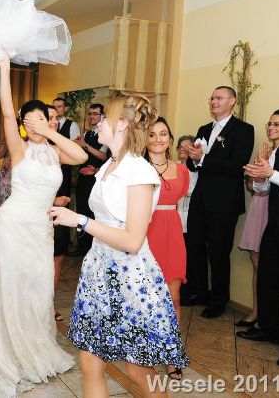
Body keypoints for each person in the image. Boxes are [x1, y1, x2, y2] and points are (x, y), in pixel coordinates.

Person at [51, 94, 188, 397]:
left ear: (122, 124)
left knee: (137, 369)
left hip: (129, 278)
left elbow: (133, 240)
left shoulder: (139, 171)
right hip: (99, 271)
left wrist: (80, 221)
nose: (97, 123)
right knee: (90, 362)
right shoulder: (110, 165)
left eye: (104, 117)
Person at [0, 53, 87, 396]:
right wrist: (5, 68)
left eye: (42, 119)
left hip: (41, 228)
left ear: (50, 121)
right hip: (14, 224)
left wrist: (50, 133)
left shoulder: (56, 152)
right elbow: (7, 111)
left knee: (39, 288)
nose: (35, 126)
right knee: (12, 285)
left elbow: (81, 156)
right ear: (23, 124)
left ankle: (34, 345)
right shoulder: (19, 149)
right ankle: (9, 351)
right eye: (30, 121)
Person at [182, 86, 254, 319]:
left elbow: (236, 165)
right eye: (212, 98)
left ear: (232, 101)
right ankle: (199, 292)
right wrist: (193, 158)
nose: (213, 101)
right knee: (194, 246)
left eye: (219, 98)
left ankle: (219, 300)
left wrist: (203, 158)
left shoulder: (243, 130)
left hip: (224, 202)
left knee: (219, 252)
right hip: (201, 198)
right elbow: (194, 166)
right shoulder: (204, 129)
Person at [237, 110, 279, 366]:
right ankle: (270, 328)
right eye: (270, 123)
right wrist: (258, 178)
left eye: (278, 124)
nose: (271, 127)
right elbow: (265, 189)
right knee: (268, 278)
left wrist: (270, 172)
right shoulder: (274, 153)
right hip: (275, 224)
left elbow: (276, 178)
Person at [145, 117, 189, 380]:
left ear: (170, 139)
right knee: (144, 296)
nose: (158, 139)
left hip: (172, 234)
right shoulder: (137, 168)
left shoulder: (181, 170)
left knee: (173, 297)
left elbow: (179, 198)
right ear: (145, 139)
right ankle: (144, 348)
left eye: (163, 134)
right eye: (152, 134)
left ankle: (172, 354)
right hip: (144, 232)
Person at [72, 103, 109, 256]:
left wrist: (85, 145)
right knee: (81, 212)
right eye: (90, 114)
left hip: (96, 180)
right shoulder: (87, 134)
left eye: (95, 114)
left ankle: (91, 249)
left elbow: (103, 156)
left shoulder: (105, 134)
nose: (91, 116)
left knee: (93, 214)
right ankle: (81, 246)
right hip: (82, 179)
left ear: (102, 116)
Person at [47, 106, 72, 322]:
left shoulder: (59, 147)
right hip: (39, 210)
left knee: (57, 258)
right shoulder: (28, 148)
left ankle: (49, 303)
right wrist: (52, 200)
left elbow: (80, 156)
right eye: (51, 118)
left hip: (60, 210)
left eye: (57, 117)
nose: (56, 121)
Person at [235, 169, 269, 327]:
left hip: (274, 208)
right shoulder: (263, 157)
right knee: (256, 264)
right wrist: (253, 178)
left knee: (270, 267)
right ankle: (256, 311)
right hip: (258, 205)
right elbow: (250, 186)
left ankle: (268, 316)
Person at [175, 135, 198, 239]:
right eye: (180, 147)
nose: (181, 149)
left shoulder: (197, 168)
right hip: (173, 211)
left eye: (185, 147)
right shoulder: (172, 165)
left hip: (190, 211)